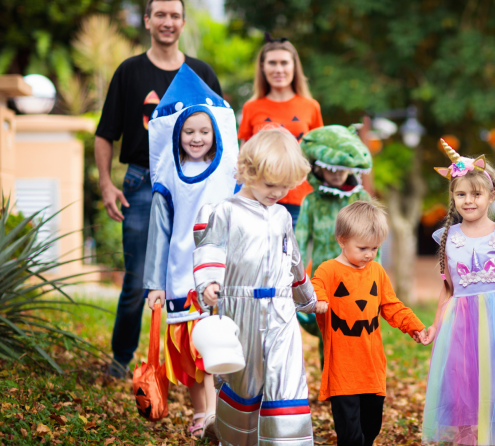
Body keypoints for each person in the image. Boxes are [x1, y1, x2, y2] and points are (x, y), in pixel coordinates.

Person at [94, 0, 222, 378]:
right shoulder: (130, 72)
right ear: (148, 20)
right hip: (142, 182)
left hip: (195, 185)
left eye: (175, 16)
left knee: (202, 274)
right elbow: (105, 134)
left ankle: (203, 362)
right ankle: (122, 361)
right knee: (137, 279)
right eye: (160, 15)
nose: (168, 22)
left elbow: (222, 129)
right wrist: (105, 184)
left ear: (183, 22)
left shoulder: (200, 73)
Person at [192, 127, 326, 446]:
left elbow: (291, 258)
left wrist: (308, 298)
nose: (277, 192)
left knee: (287, 380)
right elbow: (211, 247)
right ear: (249, 171)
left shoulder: (280, 215)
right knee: (243, 383)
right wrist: (210, 282)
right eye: (270, 184)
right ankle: (234, 438)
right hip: (242, 309)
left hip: (280, 310)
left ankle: (288, 443)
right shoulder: (227, 211)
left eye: (284, 186)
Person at [142, 64, 239, 438]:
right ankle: (203, 414)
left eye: (203, 131)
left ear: (216, 133)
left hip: (222, 275)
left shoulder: (229, 175)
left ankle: (221, 416)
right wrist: (155, 284)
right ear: (176, 134)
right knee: (191, 354)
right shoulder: (169, 180)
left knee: (219, 349)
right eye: (188, 131)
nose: (196, 138)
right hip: (181, 276)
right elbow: (160, 233)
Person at [421, 140, 495, 446]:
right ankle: (467, 438)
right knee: (464, 382)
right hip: (459, 321)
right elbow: (447, 289)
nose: (468, 201)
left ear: (491, 196)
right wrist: (436, 325)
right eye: (461, 194)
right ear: (453, 198)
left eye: (476, 194)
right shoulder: (448, 237)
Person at [311, 201, 428, 446]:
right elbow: (315, 286)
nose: (369, 254)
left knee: (371, 427)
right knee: (350, 435)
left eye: (374, 248)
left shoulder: (376, 271)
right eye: (362, 247)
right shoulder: (329, 270)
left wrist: (414, 326)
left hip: (372, 367)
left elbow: (391, 305)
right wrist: (320, 300)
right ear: (342, 240)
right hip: (342, 369)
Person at [294, 124, 375, 361]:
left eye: (342, 169)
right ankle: (332, 388)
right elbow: (299, 240)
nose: (338, 175)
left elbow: (373, 238)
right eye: (332, 169)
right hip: (325, 280)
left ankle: (358, 385)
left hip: (358, 276)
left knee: (358, 330)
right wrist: (298, 277)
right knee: (328, 331)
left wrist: (374, 275)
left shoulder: (361, 197)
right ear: (318, 167)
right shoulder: (311, 201)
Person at [237, 33, 323, 228]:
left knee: (294, 257)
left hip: (299, 199)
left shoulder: (311, 106)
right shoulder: (252, 107)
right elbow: (243, 158)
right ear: (263, 67)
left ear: (294, 66)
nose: (278, 69)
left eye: (284, 63)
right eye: (272, 63)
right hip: (260, 197)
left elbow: (319, 154)